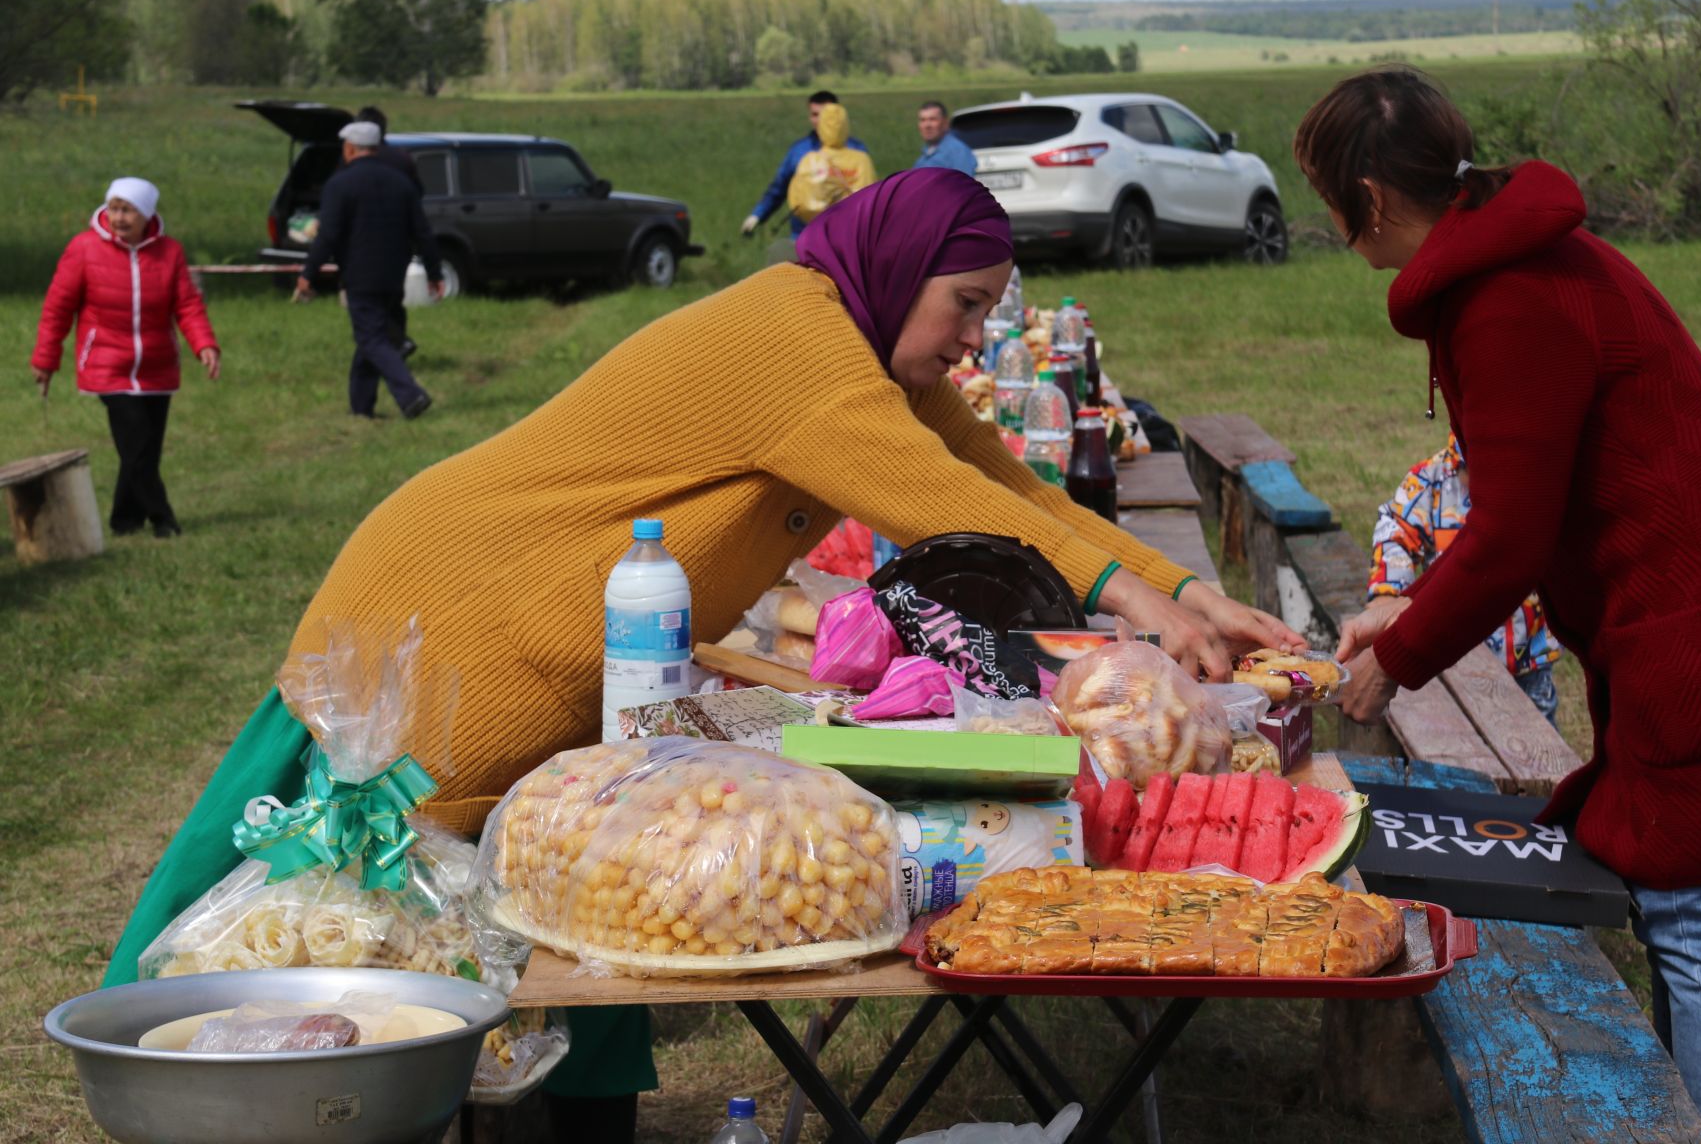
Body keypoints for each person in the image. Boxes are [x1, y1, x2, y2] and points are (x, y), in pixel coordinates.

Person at [104, 170, 1301, 1140]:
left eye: (993, 307)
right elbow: (948, 506)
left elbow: (1001, 479)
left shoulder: (867, 346)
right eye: (969, 304)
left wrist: (1192, 591)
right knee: (361, 931)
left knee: (561, 897)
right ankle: (198, 1080)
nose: (977, 335)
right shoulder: (796, 340)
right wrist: (1137, 596)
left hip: (563, 656)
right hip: (451, 615)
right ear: (899, 274)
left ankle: (569, 1120)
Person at [1298, 66, 1701, 1144]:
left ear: (1364, 201)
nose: (1326, 221)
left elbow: (1512, 535)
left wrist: (1400, 652)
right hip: (1683, 601)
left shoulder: (1505, 297)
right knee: (1676, 889)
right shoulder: (1508, 262)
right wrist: (1399, 606)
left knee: (1696, 908)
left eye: (1325, 196)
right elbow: (1523, 506)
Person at [31, 178, 220, 538]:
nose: (118, 217)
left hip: (156, 366)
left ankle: (125, 520)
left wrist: (204, 345)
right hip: (107, 365)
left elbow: (187, 305)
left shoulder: (170, 252)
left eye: (127, 210)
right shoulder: (83, 249)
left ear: (146, 214)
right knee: (137, 447)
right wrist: (46, 359)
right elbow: (57, 308)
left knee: (144, 448)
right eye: (114, 208)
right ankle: (163, 519)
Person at [1368, 431, 1561, 722]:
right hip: (1449, 665)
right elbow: (1396, 530)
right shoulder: (1432, 479)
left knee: (1538, 748)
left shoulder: (1534, 479)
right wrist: (1388, 590)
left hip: (1525, 663)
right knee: (1452, 737)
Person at [295, 122, 442, 419]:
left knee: (372, 339)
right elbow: (423, 232)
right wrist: (434, 273)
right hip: (393, 274)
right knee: (371, 336)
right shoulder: (402, 183)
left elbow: (328, 236)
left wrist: (308, 274)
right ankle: (361, 408)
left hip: (360, 276)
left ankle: (411, 395)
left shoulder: (340, 184)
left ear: (349, 148)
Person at [740, 89, 869, 238]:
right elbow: (778, 188)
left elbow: (869, 193)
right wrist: (757, 215)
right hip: (804, 236)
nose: (819, 120)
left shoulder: (858, 153)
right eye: (814, 114)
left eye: (825, 114)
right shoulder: (800, 151)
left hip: (846, 236)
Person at [354, 105, 421, 360]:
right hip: (399, 241)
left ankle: (395, 344)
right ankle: (396, 345)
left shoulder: (357, 161)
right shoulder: (402, 159)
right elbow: (418, 195)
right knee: (394, 298)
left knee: (367, 302)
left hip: (365, 242)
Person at [784, 101, 876, 226]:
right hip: (852, 231)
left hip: (820, 230)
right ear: (845, 126)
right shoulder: (862, 160)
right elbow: (871, 200)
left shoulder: (811, 160)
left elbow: (799, 201)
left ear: (821, 126)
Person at [911, 100, 977, 175]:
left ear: (945, 123)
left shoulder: (958, 151)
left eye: (932, 119)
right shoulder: (925, 155)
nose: (927, 125)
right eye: (923, 120)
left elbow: (963, 184)